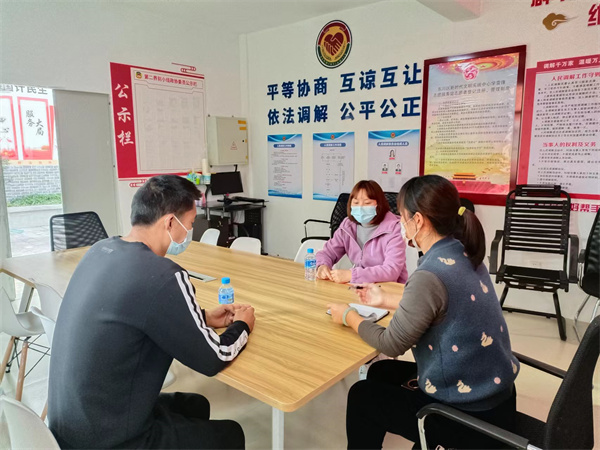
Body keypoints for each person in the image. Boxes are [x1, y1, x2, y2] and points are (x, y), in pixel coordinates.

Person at [48, 175, 255, 449]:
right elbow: (214, 358)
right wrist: (243, 325)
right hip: (110, 439)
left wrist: (203, 317)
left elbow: (135, 313)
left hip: (72, 426)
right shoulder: (164, 275)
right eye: (190, 224)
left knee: (195, 405)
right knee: (231, 434)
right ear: (170, 222)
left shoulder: (100, 250)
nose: (188, 233)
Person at [327, 175, 520, 449]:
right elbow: (443, 304)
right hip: (495, 394)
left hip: (468, 414)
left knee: (362, 396)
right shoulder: (464, 252)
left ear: (417, 221)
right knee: (380, 371)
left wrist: (348, 316)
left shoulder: (430, 273)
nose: (400, 224)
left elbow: (391, 344)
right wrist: (386, 298)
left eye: (402, 217)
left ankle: (431, 435)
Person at [316, 180, 408, 284]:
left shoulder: (395, 228)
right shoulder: (348, 225)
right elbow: (328, 252)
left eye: (367, 203)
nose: (360, 207)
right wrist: (322, 266)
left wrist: (352, 275)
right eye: (356, 203)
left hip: (389, 289)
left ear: (379, 204)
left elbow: (391, 270)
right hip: (360, 288)